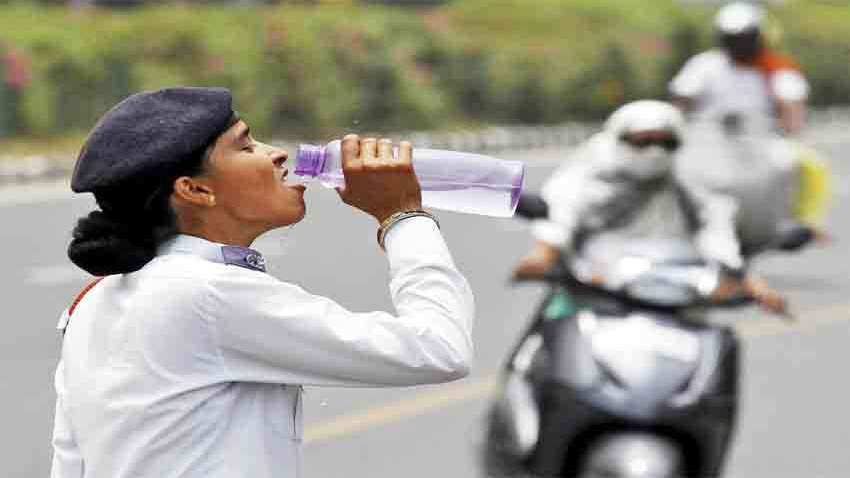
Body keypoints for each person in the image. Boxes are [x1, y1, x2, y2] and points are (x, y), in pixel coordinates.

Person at [50, 87, 475, 477]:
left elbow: (70, 463)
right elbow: (439, 350)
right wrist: (402, 216)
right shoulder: (206, 294)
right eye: (246, 145)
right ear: (195, 189)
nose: (276, 155)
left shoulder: (91, 302)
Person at [512, 100, 785, 313]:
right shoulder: (590, 173)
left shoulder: (688, 180)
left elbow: (716, 230)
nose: (655, 151)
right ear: (619, 139)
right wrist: (543, 255)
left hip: (672, 293)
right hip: (595, 289)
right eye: (643, 141)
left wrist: (746, 279)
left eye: (665, 142)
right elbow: (559, 214)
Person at [669, 1, 809, 136]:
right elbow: (681, 101)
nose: (739, 44)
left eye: (744, 38)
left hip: (764, 143)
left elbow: (792, 110)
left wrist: (791, 138)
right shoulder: (704, 65)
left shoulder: (777, 67)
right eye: (732, 39)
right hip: (709, 144)